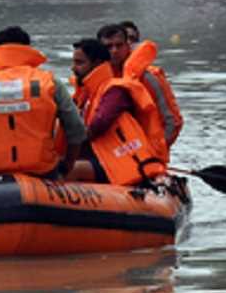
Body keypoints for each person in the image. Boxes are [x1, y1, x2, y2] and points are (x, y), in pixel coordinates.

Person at [0, 26, 85, 178]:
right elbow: (76, 128)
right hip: (41, 169)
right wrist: (67, 165)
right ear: (28, 49)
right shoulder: (49, 83)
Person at [67, 37, 167, 186]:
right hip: (101, 158)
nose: (73, 68)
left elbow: (99, 124)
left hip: (119, 162)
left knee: (67, 169)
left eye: (79, 63)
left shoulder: (115, 91)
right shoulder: (87, 93)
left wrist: (71, 142)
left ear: (97, 63)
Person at [99, 22, 184, 151]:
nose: (114, 51)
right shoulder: (96, 77)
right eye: (108, 46)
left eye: (119, 45)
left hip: (147, 153)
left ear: (127, 46)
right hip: (112, 152)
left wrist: (155, 151)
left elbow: (172, 122)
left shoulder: (149, 77)